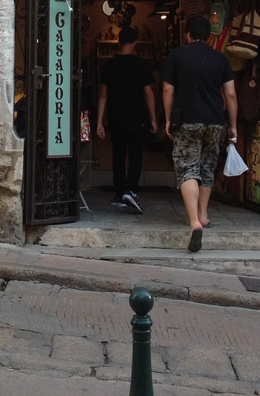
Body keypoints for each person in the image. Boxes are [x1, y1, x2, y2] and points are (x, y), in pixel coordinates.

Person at [161, 14, 237, 252]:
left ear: (188, 34)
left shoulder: (176, 56)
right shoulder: (220, 59)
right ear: (208, 35)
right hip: (214, 121)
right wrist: (232, 125)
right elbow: (231, 95)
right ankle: (203, 215)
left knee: (187, 168)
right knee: (206, 167)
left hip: (187, 121)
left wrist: (167, 118)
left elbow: (167, 88)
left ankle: (194, 222)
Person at [96, 26, 157, 213]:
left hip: (116, 116)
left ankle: (119, 193)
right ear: (135, 42)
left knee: (118, 155)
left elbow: (103, 95)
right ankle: (131, 190)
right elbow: (148, 95)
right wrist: (154, 119)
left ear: (119, 42)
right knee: (136, 155)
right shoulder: (142, 65)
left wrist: (99, 121)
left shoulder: (109, 65)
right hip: (137, 116)